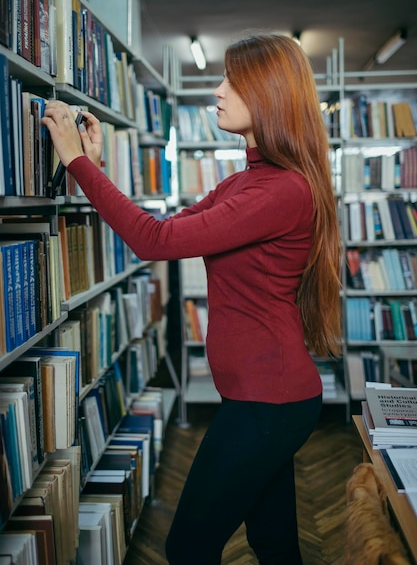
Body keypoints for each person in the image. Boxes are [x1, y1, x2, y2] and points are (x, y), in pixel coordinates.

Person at [42, 33, 341, 565]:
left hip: (266, 405)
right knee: (274, 544)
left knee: (187, 547)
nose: (219, 91)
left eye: (233, 80)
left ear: (269, 94)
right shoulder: (247, 184)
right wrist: (96, 167)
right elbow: (161, 228)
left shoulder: (280, 192)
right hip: (264, 400)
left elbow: (153, 242)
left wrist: (76, 165)